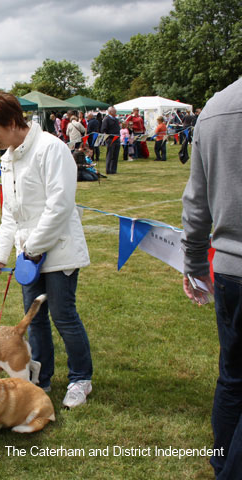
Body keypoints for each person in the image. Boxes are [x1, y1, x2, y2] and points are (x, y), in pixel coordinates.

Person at [0, 92, 93, 409]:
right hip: (28, 253)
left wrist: (32, 248)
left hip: (58, 248)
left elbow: (59, 207)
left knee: (63, 316)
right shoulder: (7, 159)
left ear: (13, 123)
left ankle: (81, 379)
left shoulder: (51, 149)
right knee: (34, 319)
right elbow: (10, 214)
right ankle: (40, 378)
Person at [181, 78, 242, 480]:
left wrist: (194, 262)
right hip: (229, 267)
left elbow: (195, 203)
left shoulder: (218, 105)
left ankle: (222, 462)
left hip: (230, 270)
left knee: (233, 375)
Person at [101, 106, 121, 174]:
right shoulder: (106, 119)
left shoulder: (116, 119)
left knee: (115, 155)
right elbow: (103, 129)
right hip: (110, 139)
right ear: (110, 112)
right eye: (114, 111)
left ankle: (113, 170)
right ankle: (108, 169)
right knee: (110, 155)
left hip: (117, 138)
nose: (115, 112)